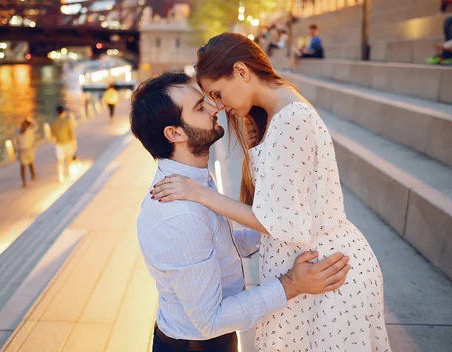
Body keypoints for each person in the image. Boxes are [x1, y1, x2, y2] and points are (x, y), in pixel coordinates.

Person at [151, 33, 392, 352]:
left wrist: (200, 193)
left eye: (218, 94)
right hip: (312, 271)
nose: (220, 107)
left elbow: (282, 222)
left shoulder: (290, 118)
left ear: (241, 71)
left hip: (324, 274)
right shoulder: (279, 114)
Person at [131, 72, 351, 352]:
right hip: (197, 344)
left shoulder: (191, 181)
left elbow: (223, 248)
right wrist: (293, 284)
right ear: (175, 133)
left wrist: (278, 226)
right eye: (200, 107)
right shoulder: (180, 216)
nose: (215, 108)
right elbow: (210, 321)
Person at [50, 106, 77, 183]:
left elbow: (52, 135)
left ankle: (60, 176)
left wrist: (55, 141)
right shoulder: (67, 121)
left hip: (59, 144)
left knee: (60, 161)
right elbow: (72, 134)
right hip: (67, 143)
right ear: (64, 112)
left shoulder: (54, 122)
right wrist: (74, 144)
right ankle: (70, 173)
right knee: (69, 159)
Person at [13, 118, 38, 188]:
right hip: (23, 151)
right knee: (24, 166)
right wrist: (17, 148)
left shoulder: (28, 130)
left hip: (27, 150)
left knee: (30, 164)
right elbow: (14, 141)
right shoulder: (18, 132)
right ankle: (25, 181)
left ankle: (32, 176)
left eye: (25, 124)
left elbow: (36, 126)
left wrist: (30, 119)